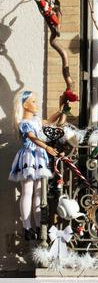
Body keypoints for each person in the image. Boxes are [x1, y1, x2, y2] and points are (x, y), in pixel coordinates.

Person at [9, 91, 63, 240]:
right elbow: (32, 137)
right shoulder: (24, 123)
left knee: (39, 192)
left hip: (39, 157)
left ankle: (39, 226)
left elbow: (49, 121)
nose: (36, 104)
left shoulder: (36, 120)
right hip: (29, 156)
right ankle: (27, 226)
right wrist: (46, 147)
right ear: (25, 105)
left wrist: (61, 111)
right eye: (33, 101)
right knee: (27, 192)